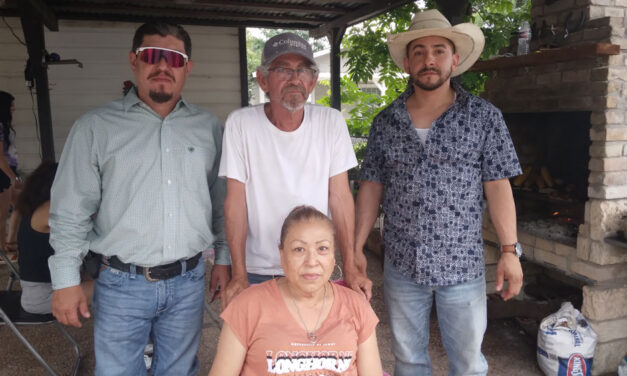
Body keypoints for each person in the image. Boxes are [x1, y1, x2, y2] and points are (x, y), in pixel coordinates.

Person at [48, 22, 229, 375]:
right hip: (120, 283)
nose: (163, 66)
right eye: (152, 56)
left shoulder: (209, 128)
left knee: (179, 370)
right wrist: (66, 280)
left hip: (188, 280)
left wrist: (222, 258)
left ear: (187, 68)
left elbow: (220, 200)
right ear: (134, 61)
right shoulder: (95, 128)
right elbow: (71, 210)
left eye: (174, 59)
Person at [354, 9, 524, 376]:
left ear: (455, 60)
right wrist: (354, 248)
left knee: (467, 365)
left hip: (462, 266)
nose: (429, 59)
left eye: (438, 50)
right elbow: (371, 187)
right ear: (406, 62)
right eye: (419, 52)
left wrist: (510, 251)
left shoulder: (484, 117)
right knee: (409, 362)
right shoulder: (386, 122)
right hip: (401, 265)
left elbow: (498, 186)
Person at [219, 33, 371, 310]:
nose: (295, 78)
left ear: (312, 81)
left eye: (303, 70)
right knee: (257, 350)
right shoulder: (241, 124)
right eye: (283, 69)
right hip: (257, 269)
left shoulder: (331, 122)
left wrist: (350, 267)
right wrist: (238, 274)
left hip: (314, 267)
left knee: (309, 348)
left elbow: (340, 197)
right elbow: (235, 202)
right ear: (263, 80)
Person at [209, 205, 382, 376]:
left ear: (332, 255)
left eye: (322, 248)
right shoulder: (246, 306)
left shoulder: (358, 307)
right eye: (299, 249)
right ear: (282, 254)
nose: (311, 261)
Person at [15, 162, 93, 314]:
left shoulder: (37, 209)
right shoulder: (51, 209)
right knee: (117, 286)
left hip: (46, 290)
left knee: (117, 280)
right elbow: (92, 220)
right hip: (43, 296)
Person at [0, 91, 21, 260]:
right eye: (11, 104)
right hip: (3, 173)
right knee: (1, 214)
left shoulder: (4, 125)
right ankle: (2, 251)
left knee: (21, 205)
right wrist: (12, 177)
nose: (13, 108)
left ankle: (11, 242)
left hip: (9, 170)